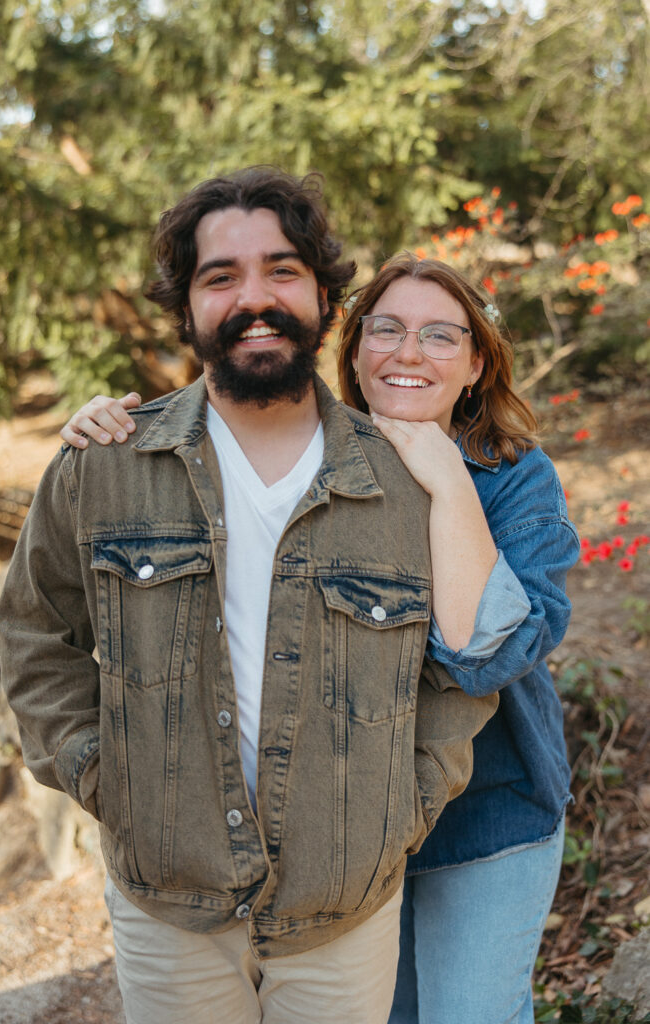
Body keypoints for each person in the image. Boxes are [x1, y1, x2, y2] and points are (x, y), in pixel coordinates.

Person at [0, 168, 497, 1024]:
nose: (253, 297)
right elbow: (36, 636)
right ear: (185, 307)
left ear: (324, 296)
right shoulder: (102, 468)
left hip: (344, 910)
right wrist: (98, 774)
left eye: (281, 270)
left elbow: (460, 669)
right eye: (220, 276)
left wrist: (404, 807)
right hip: (169, 907)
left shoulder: (408, 484)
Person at [67, 249, 579, 1024]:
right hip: (330, 831)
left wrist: (443, 477)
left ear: (476, 364)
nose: (408, 353)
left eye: (441, 336)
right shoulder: (308, 459)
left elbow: (491, 657)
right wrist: (102, 432)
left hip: (486, 814)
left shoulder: (514, 479)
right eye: (387, 330)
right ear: (354, 348)